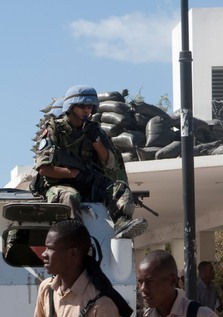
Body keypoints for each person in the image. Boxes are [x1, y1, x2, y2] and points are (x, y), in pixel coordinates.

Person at [33, 85, 147, 239]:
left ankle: (121, 223)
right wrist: (73, 174)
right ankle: (75, 239)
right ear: (71, 107)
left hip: (87, 183)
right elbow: (44, 169)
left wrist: (96, 141)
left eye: (90, 106)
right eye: (82, 106)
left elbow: (110, 163)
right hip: (58, 184)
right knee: (70, 197)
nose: (86, 110)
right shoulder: (55, 129)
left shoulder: (95, 131)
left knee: (120, 189)